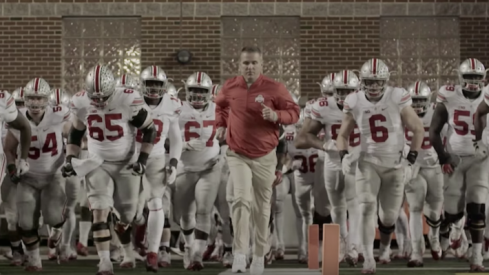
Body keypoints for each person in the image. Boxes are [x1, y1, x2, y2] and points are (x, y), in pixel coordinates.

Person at [63, 64, 156, 274]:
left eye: (103, 97)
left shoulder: (127, 99)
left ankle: (127, 250)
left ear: (112, 89)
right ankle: (104, 261)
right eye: (94, 98)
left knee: (128, 215)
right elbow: (75, 134)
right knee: (99, 211)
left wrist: (143, 159)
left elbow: (150, 130)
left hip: (126, 164)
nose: (99, 102)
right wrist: (70, 159)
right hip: (97, 162)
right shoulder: (81, 102)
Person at [214, 46, 300, 275]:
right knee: (240, 200)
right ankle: (240, 254)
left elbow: (295, 112)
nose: (249, 67)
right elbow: (220, 105)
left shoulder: (275, 88)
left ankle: (259, 255)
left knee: (262, 208)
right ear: (239, 65)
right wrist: (221, 126)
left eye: (254, 63)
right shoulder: (230, 86)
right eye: (245, 63)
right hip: (237, 153)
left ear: (262, 65)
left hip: (265, 155)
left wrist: (276, 116)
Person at [336, 58, 424, 273]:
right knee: (366, 208)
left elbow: (418, 128)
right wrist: (344, 155)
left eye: (377, 82)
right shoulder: (354, 100)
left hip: (395, 164)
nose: (373, 86)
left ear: (385, 81)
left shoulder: (396, 96)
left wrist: (411, 159)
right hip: (368, 163)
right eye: (369, 82)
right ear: (362, 81)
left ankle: (384, 243)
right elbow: (342, 134)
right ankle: (368, 258)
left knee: (388, 216)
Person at [5, 78, 68, 270]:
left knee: (53, 217)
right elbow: (9, 149)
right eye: (31, 98)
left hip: (53, 175)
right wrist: (11, 168)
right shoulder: (17, 118)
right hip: (28, 177)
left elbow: (73, 136)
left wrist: (69, 157)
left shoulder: (58, 115)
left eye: (40, 98)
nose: (35, 103)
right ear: (25, 98)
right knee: (24, 222)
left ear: (47, 99)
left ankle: (57, 228)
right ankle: (34, 260)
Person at [439, 58, 488, 271]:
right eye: (469, 77)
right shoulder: (449, 95)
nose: (473, 82)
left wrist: (481, 144)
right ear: (460, 77)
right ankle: (455, 226)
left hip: (481, 158)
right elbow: (434, 129)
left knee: (477, 205)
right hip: (455, 156)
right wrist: (443, 156)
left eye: (477, 77)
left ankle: (476, 256)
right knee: (452, 210)